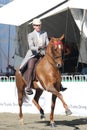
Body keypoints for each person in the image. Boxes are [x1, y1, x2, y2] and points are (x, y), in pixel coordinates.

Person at [19, 18, 67, 95]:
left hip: (43, 54)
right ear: (33, 26)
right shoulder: (30, 35)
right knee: (31, 67)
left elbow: (47, 44)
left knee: (54, 65)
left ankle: (59, 84)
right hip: (33, 55)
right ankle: (28, 86)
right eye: (36, 25)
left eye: (39, 25)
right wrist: (38, 48)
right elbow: (31, 47)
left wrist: (48, 47)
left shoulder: (44, 33)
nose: (38, 26)